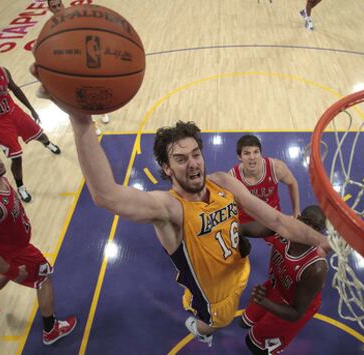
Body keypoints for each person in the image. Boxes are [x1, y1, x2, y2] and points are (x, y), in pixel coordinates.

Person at [32, 63, 330, 343]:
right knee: (216, 323)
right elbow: (106, 195)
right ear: (166, 168)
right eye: (180, 158)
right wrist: (80, 119)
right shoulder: (168, 208)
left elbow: (277, 220)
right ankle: (199, 328)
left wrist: (324, 241)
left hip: (239, 270)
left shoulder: (222, 182)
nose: (192, 164)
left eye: (195, 154)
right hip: (213, 298)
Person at [0, 142, 77, 345]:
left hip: (8, 246)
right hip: (16, 251)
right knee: (44, 278)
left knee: (3, 271)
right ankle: (50, 329)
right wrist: (13, 270)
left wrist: (7, 267)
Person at [0, 46, 61, 203]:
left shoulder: (2, 71)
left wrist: (31, 109)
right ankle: (21, 187)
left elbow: (15, 89)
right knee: (16, 157)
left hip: (14, 112)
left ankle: (47, 144)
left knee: (40, 134)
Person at [239, 205, 328, 354]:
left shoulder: (315, 267)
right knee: (244, 322)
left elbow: (295, 313)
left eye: (316, 227)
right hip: (275, 287)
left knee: (254, 345)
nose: (309, 229)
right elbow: (252, 228)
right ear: (298, 218)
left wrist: (265, 303)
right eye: (306, 222)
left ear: (320, 232)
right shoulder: (285, 227)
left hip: (293, 304)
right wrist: (236, 232)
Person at [45, 0, 111, 130]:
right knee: (81, 96)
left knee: (96, 86)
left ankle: (103, 111)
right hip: (69, 65)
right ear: (50, 9)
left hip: (85, 59)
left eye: (59, 5)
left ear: (63, 5)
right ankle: (93, 124)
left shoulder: (75, 18)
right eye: (54, 7)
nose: (58, 8)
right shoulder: (50, 28)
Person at [229, 134, 300, 225]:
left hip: (271, 216)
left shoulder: (276, 168)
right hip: (245, 219)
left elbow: (292, 183)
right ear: (239, 157)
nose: (252, 157)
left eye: (256, 152)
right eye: (247, 153)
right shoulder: (233, 177)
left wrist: (296, 212)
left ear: (260, 153)